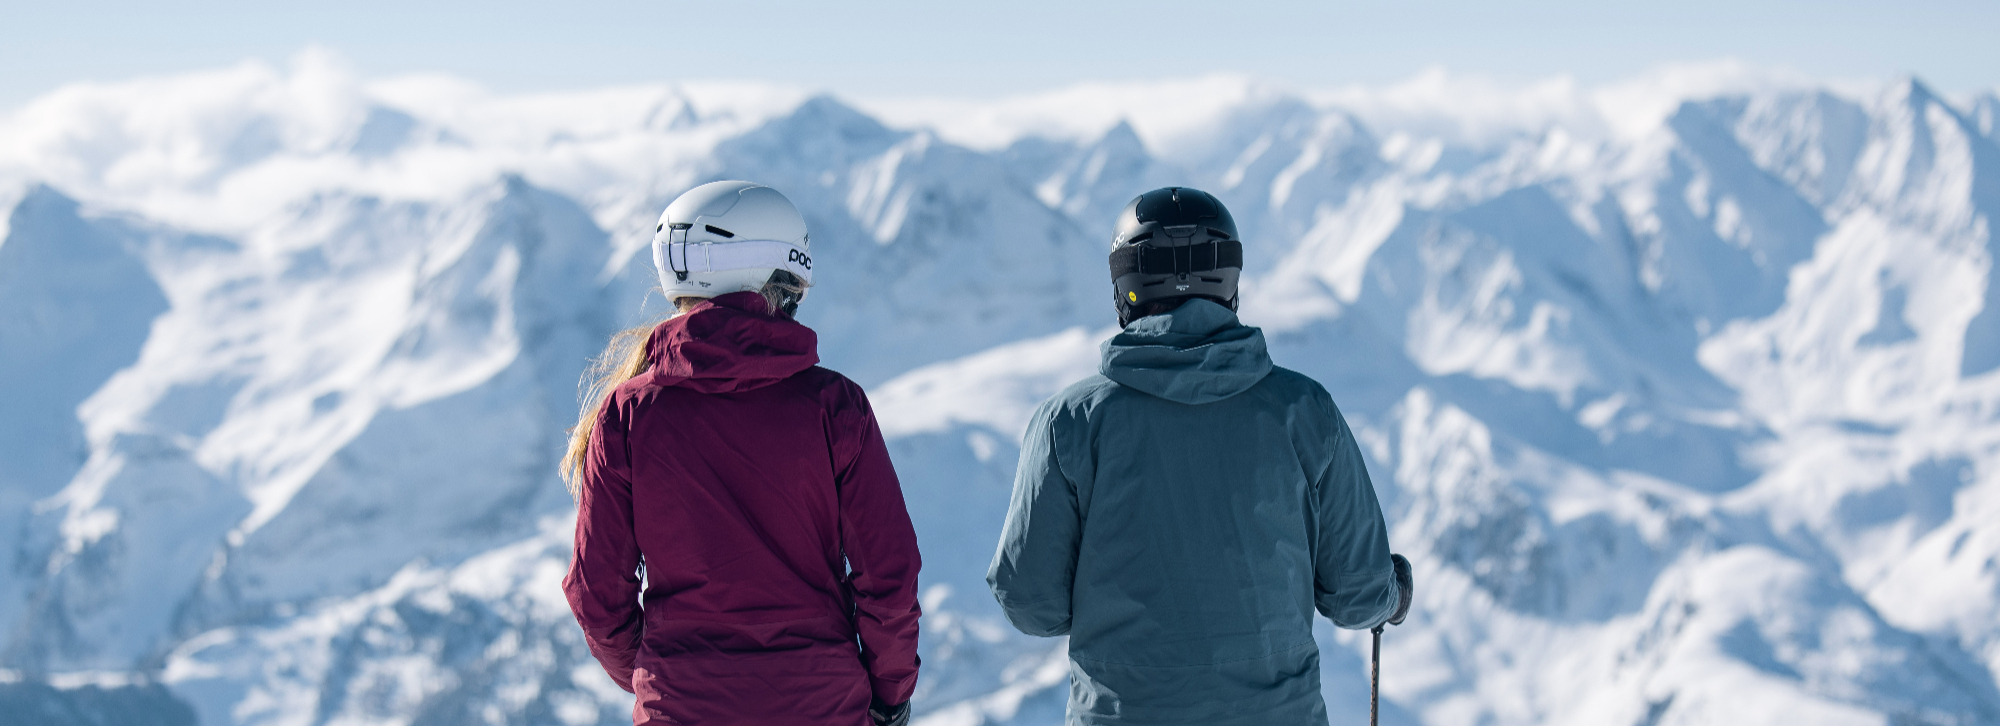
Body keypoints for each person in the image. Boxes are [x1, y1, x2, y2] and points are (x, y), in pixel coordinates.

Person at [987, 187, 1414, 725]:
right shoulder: (1305, 411)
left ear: (1126, 286)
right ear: (1228, 281)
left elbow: (1030, 602)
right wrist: (1394, 593)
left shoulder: (1068, 422)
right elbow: (1358, 596)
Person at [562, 181, 921, 726]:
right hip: (822, 707)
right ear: (771, 281)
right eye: (791, 289)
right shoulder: (834, 406)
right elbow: (888, 576)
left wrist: (673, 677)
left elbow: (597, 596)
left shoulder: (628, 413)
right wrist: (890, 695)